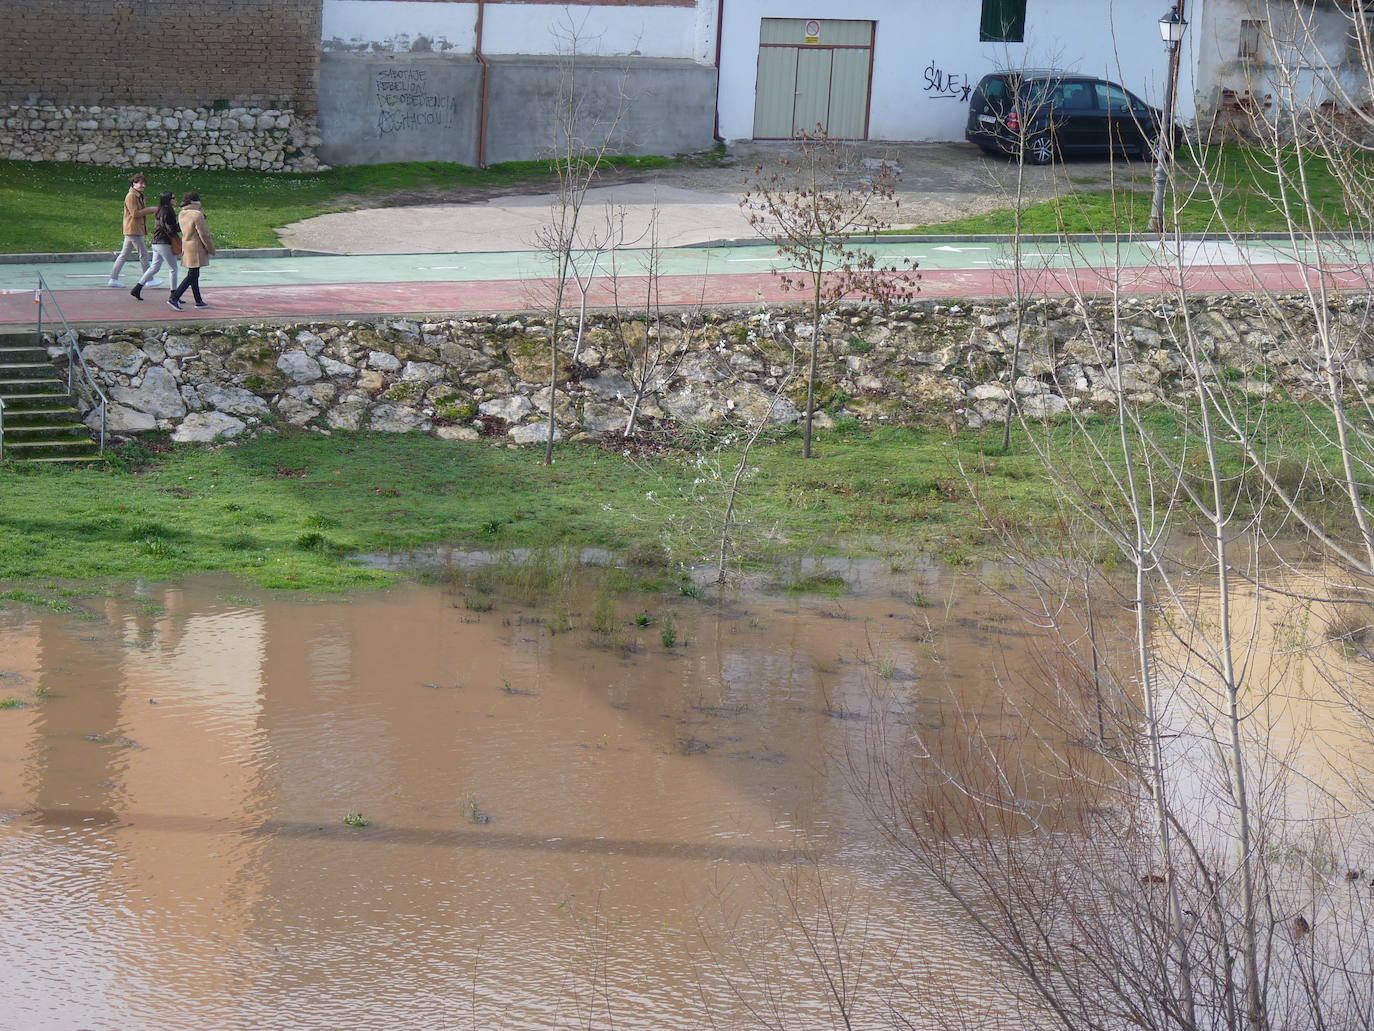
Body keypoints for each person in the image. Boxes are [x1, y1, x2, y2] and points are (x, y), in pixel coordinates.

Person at [108, 174, 161, 288]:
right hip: (133, 229)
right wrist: (150, 209)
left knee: (124, 255)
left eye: (143, 183)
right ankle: (149, 279)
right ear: (133, 184)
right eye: (139, 183)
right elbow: (135, 213)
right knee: (143, 254)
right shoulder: (131, 196)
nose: (142, 185)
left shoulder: (139, 195)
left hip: (134, 229)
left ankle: (113, 278)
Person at [168, 192, 214, 311]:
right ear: (197, 202)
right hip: (196, 247)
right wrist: (210, 248)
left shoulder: (183, 212)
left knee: (194, 274)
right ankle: (174, 298)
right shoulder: (197, 214)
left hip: (187, 245)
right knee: (192, 275)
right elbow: (203, 234)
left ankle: (198, 301)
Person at [131, 192, 180, 301]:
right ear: (168, 199)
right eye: (174, 198)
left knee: (154, 267)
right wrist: (182, 224)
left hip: (156, 242)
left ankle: (137, 288)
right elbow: (171, 229)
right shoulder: (168, 211)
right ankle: (174, 295)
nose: (176, 199)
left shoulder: (160, 210)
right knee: (173, 269)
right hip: (164, 243)